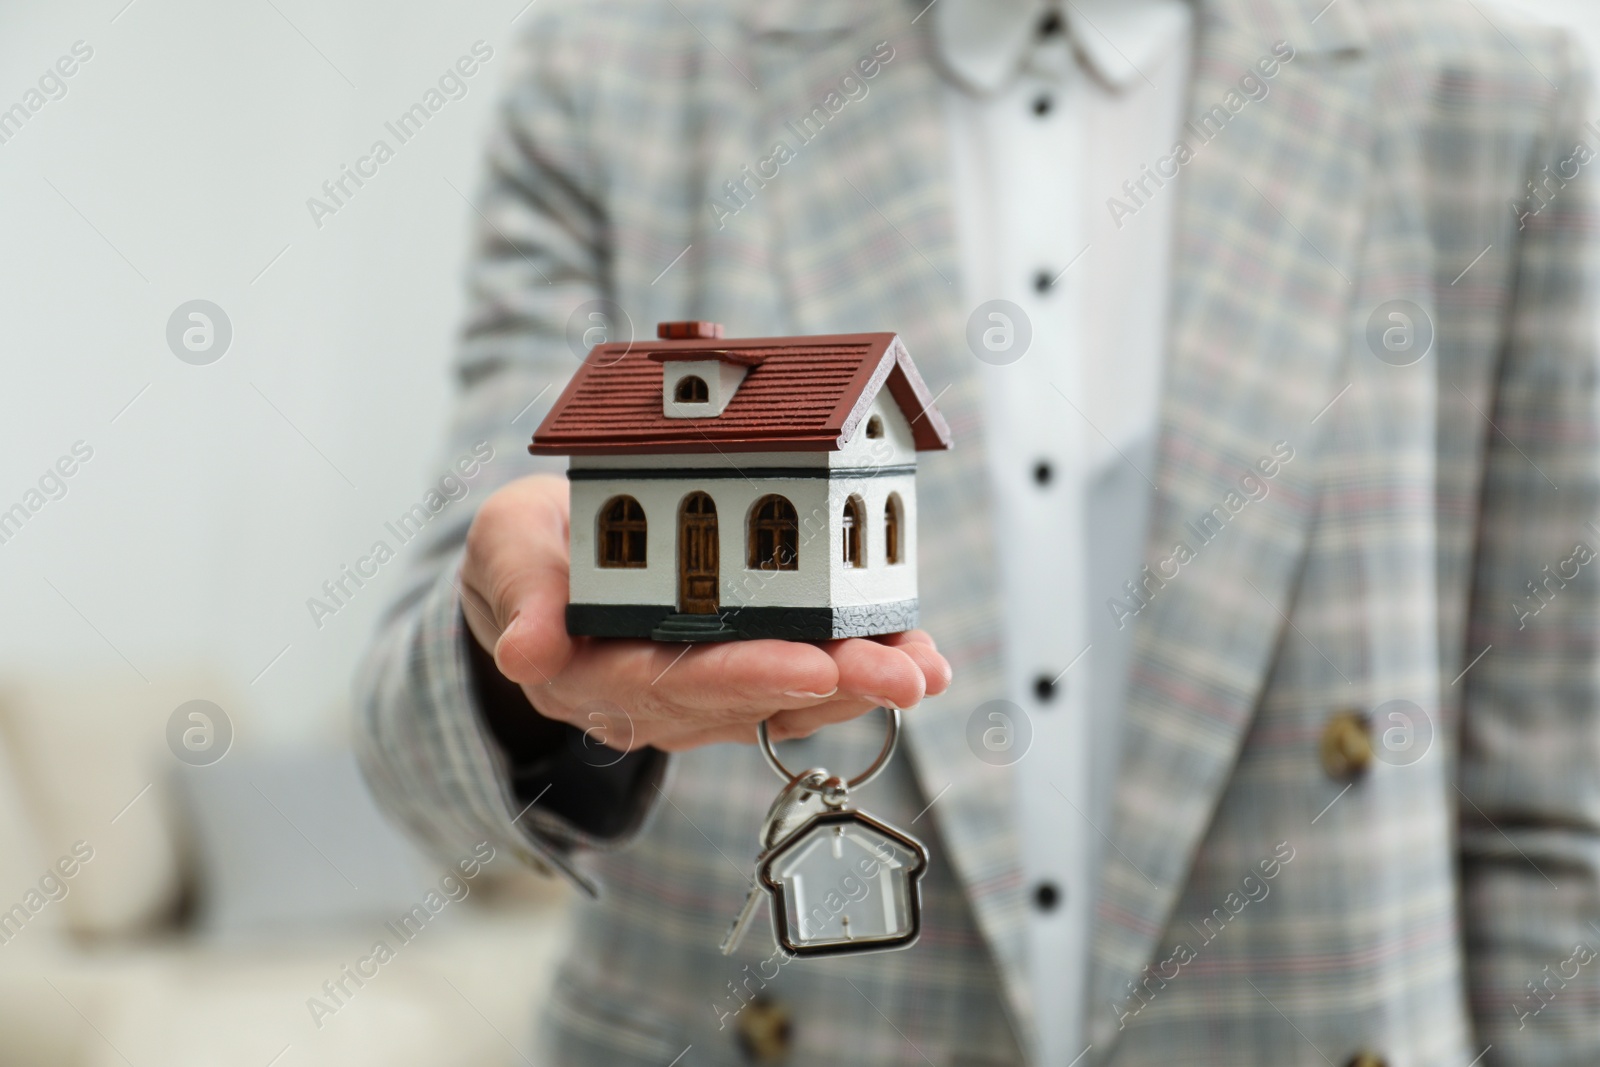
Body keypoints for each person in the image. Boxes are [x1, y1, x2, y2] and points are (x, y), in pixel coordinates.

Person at [356, 0, 1600, 1062]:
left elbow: (1554, 805)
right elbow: (415, 747)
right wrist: (519, 676)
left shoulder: (1498, 97)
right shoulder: (613, 70)